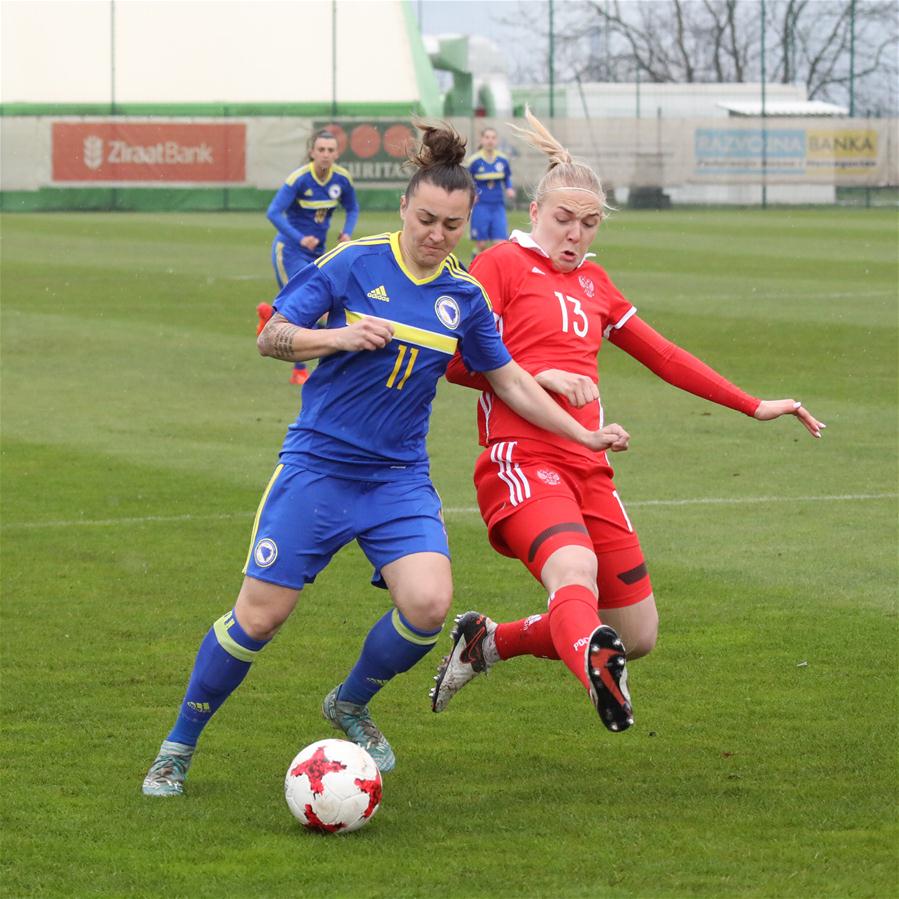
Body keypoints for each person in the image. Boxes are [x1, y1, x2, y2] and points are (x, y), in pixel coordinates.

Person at [142, 119, 632, 796]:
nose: (436, 234)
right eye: (426, 218)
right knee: (259, 617)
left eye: (452, 225)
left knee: (429, 605)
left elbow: (508, 377)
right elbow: (273, 336)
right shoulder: (354, 262)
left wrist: (580, 435)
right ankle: (177, 746)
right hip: (318, 467)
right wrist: (339, 336)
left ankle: (348, 701)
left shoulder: (462, 295)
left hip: (397, 478)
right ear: (403, 207)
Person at [430, 108, 825, 734]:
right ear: (535, 213)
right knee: (573, 570)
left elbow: (664, 355)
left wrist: (754, 403)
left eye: (588, 223)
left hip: (592, 465)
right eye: (563, 219)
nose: (575, 234)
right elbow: (453, 364)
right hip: (522, 459)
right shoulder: (500, 266)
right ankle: (591, 670)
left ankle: (489, 642)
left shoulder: (595, 283)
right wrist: (536, 374)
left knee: (637, 632)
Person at [264, 129, 359, 386]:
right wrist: (299, 237)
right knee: (304, 308)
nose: (326, 155)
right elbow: (273, 212)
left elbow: (352, 207)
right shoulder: (299, 179)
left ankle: (268, 316)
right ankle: (300, 369)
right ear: (312, 152)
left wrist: (347, 232)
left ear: (337, 153)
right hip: (290, 251)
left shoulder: (341, 179)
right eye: (321, 150)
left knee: (322, 307)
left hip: (319, 253)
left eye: (331, 150)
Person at [467, 126, 515, 256]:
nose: (490, 140)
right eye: (487, 137)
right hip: (481, 205)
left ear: (497, 140)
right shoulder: (474, 161)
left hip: (498, 205)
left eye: (493, 138)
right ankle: (475, 265)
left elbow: (507, 178)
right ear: (481, 140)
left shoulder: (503, 160)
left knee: (500, 244)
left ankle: (496, 272)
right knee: (481, 244)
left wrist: (509, 188)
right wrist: (472, 193)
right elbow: (467, 181)